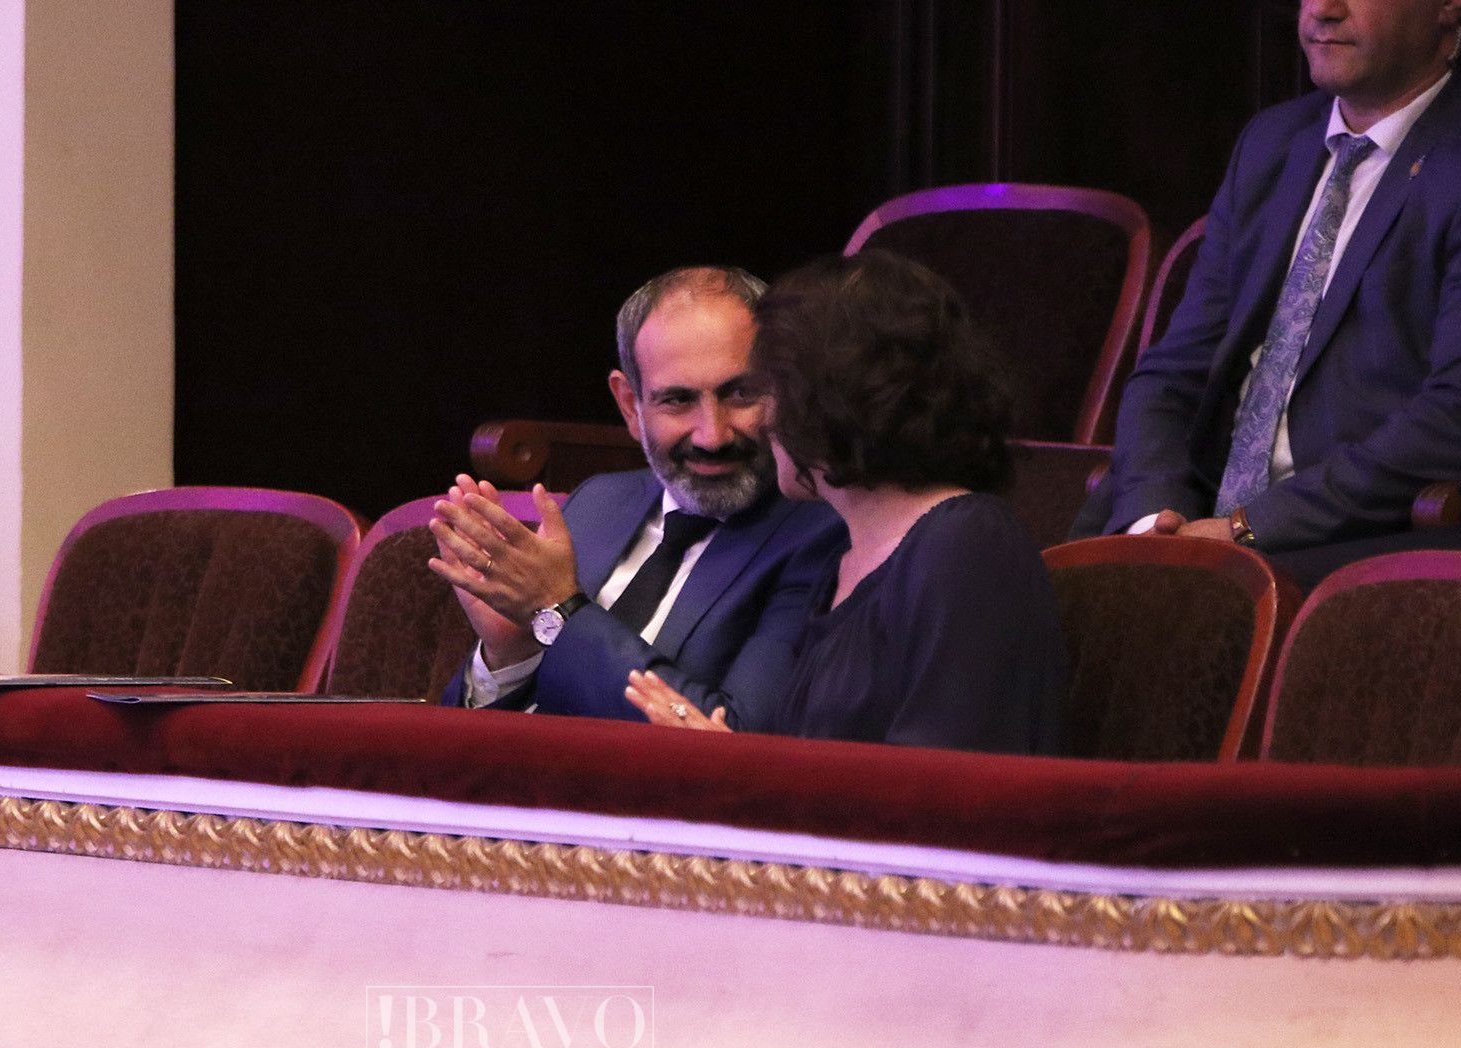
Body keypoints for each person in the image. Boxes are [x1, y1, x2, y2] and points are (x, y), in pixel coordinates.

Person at [1076, 0, 1461, 578]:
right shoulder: (1271, 144)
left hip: (1352, 544)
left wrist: (1246, 529)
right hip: (1192, 520)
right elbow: (1172, 372)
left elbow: (1454, 418)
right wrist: (1155, 513)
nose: (1322, 6)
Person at [625, 251, 1066, 752]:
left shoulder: (967, 545)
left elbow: (941, 786)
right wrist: (734, 765)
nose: (762, 419)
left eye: (767, 389)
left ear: (830, 399)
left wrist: (744, 776)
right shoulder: (849, 558)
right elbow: (814, 767)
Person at [429, 265, 844, 729]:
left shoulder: (824, 533)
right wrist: (509, 655)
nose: (712, 435)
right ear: (631, 405)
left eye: (742, 393)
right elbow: (461, 742)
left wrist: (562, 609)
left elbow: (738, 736)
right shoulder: (598, 502)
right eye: (678, 400)